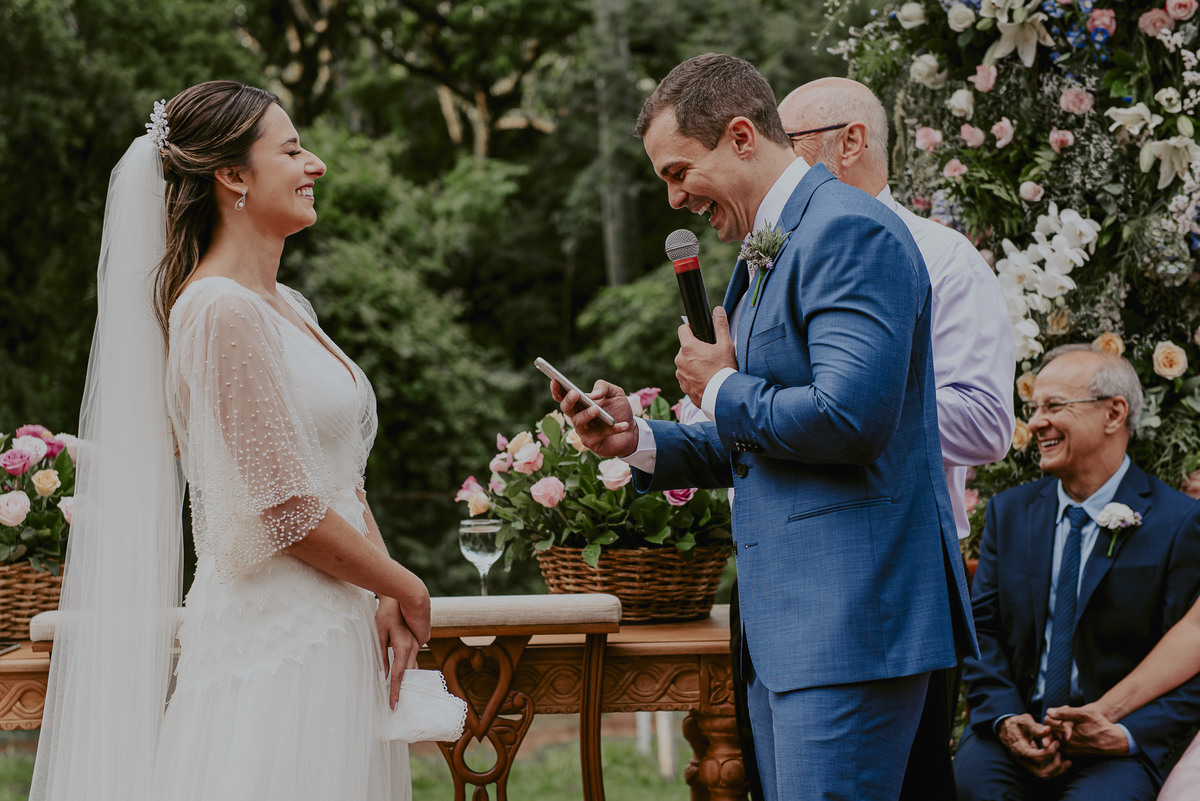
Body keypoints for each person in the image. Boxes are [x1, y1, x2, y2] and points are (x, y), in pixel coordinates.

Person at [556, 53, 977, 800]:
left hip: (852, 624)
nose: (676, 198)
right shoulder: (762, 251)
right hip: (790, 634)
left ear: (743, 136)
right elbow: (763, 439)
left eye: (679, 171)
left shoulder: (851, 231)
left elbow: (848, 420)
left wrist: (718, 383)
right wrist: (638, 438)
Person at [30, 81, 431, 801]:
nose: (316, 165)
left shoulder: (286, 307)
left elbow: (339, 475)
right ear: (233, 175)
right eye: (292, 149)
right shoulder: (218, 311)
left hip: (336, 626)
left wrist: (381, 594)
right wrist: (405, 583)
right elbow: (283, 509)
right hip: (277, 645)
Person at [779, 77, 1016, 801]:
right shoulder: (779, 254)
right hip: (789, 575)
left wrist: (856, 404)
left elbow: (986, 422)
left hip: (895, 579)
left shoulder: (942, 257)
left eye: (790, 146)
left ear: (851, 141)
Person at [955, 345, 1200, 801]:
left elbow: (1191, 664)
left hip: (1117, 745)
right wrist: (1005, 720)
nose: (1037, 422)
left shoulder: (1179, 523)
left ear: (1113, 413)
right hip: (1013, 729)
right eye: (1034, 408)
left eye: (1054, 406)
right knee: (975, 788)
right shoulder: (1011, 513)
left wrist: (1123, 735)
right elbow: (981, 631)